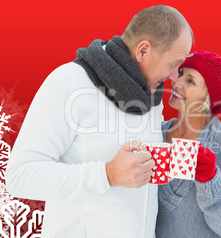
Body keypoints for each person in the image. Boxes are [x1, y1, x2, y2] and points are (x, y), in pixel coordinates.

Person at [5, 5, 193, 238]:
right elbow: (20, 176)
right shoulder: (69, 82)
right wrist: (107, 175)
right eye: (173, 65)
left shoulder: (151, 95)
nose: (175, 77)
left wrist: (188, 161)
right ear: (143, 51)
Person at [156, 50, 221, 237]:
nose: (177, 82)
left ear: (209, 99)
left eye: (190, 81)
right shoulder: (155, 133)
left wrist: (210, 180)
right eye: (180, 74)